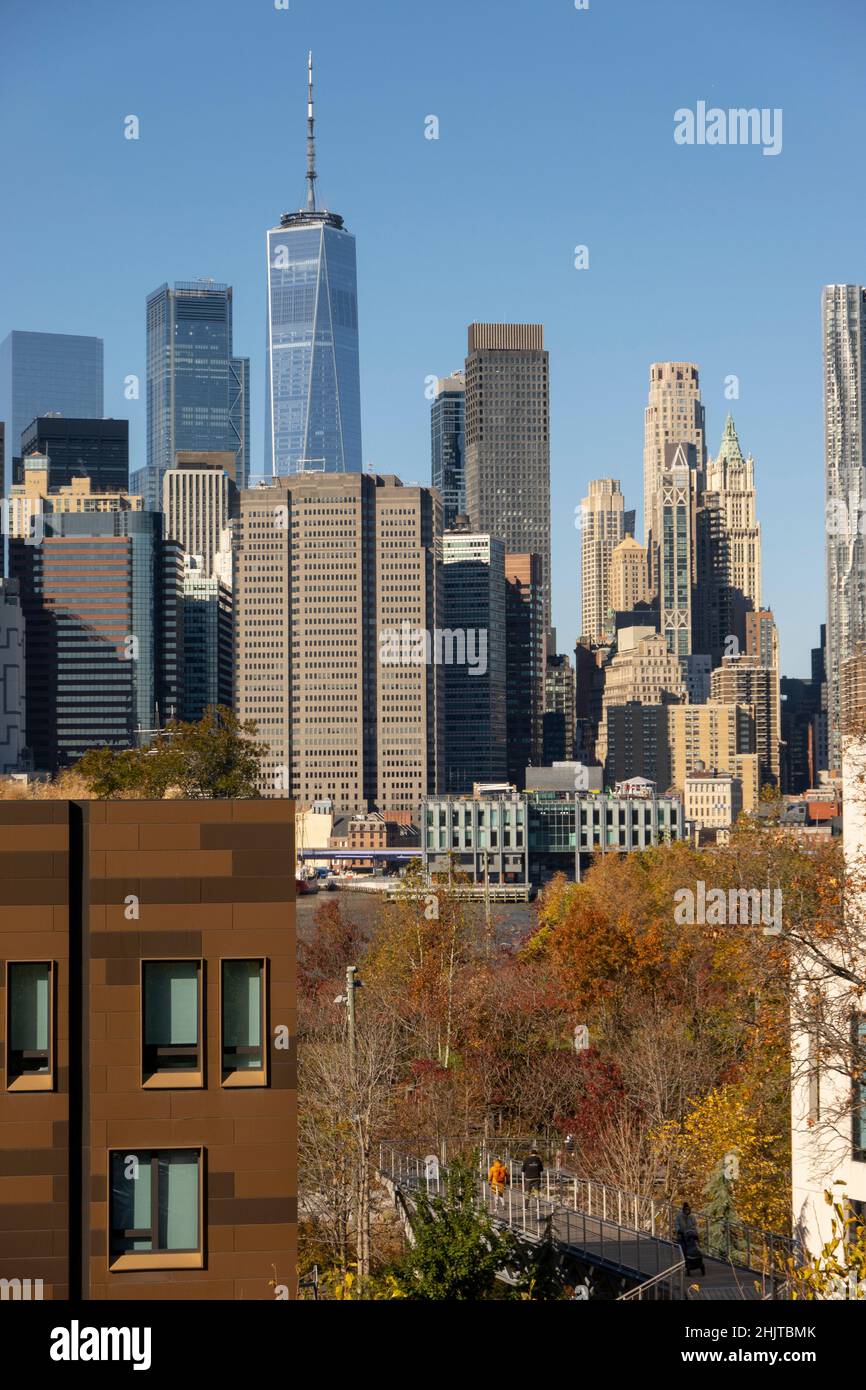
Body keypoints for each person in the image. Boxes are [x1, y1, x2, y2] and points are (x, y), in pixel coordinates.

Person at [675, 1201, 706, 1276]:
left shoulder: (692, 1217)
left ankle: (698, 1262)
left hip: (691, 1235)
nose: (687, 1211)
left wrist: (695, 1233)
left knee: (695, 1248)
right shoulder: (679, 1217)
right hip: (682, 1236)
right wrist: (679, 1230)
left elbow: (695, 1225)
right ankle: (686, 1264)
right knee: (684, 1251)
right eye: (685, 1210)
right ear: (683, 1210)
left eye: (688, 1210)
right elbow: (677, 1225)